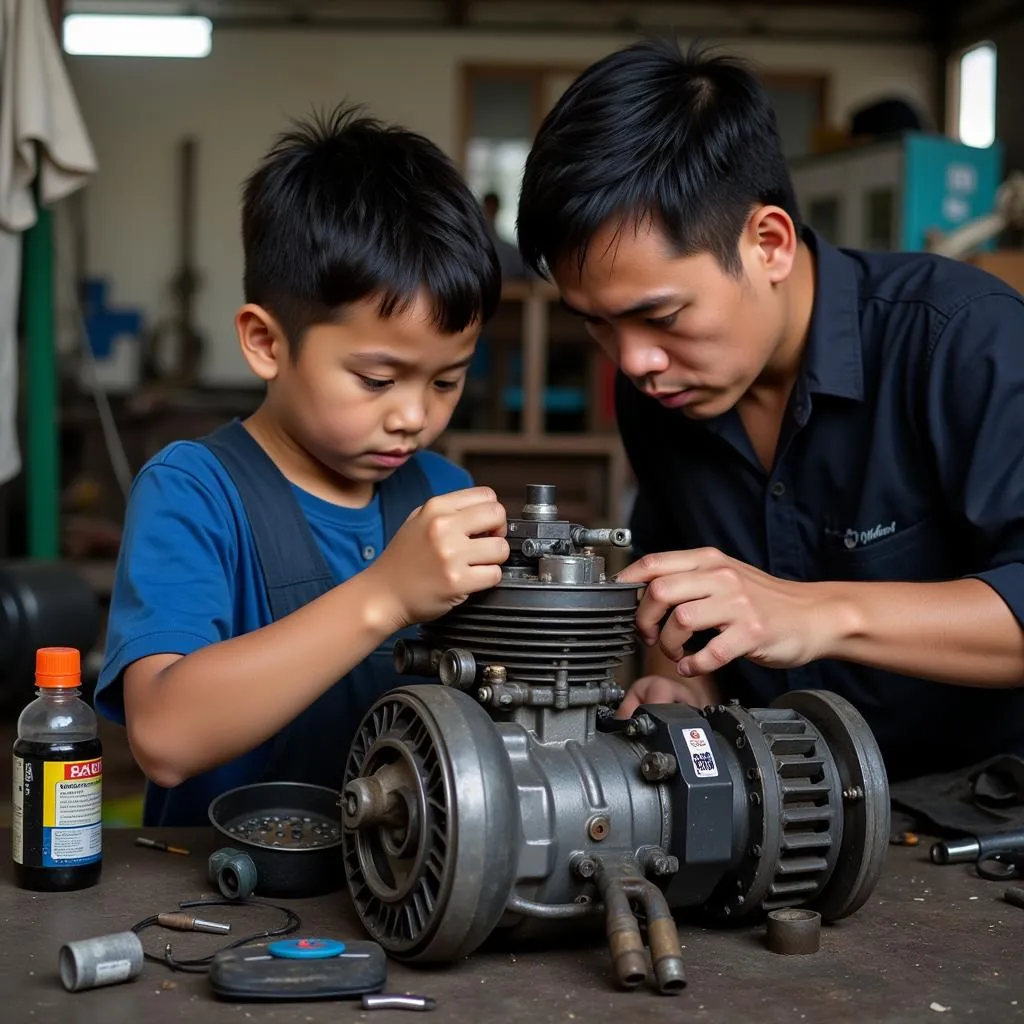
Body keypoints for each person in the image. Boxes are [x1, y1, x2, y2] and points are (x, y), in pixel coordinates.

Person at [516, 37, 1024, 783]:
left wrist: (818, 613)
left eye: (661, 315)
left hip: (980, 819)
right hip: (782, 824)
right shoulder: (656, 394)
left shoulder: (962, 340)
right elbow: (677, 593)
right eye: (597, 322)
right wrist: (681, 683)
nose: (632, 362)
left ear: (769, 243)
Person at [95, 106, 508, 826]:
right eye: (377, 380)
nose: (414, 415)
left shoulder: (444, 494)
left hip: (412, 887)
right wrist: (385, 596)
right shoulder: (194, 493)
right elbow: (163, 735)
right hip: (220, 895)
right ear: (265, 342)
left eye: (446, 381)